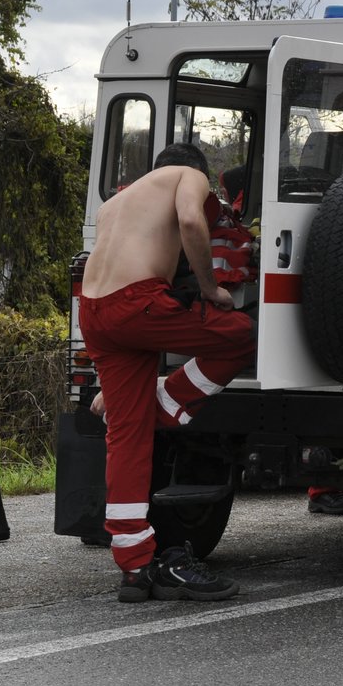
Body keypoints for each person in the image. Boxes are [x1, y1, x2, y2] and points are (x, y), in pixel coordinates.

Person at [80, 142, 256, 602]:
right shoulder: (189, 178)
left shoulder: (116, 201)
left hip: (93, 312)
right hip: (135, 303)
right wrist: (209, 288)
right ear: (196, 170)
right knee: (240, 334)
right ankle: (169, 400)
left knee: (127, 433)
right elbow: (192, 222)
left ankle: (136, 566)